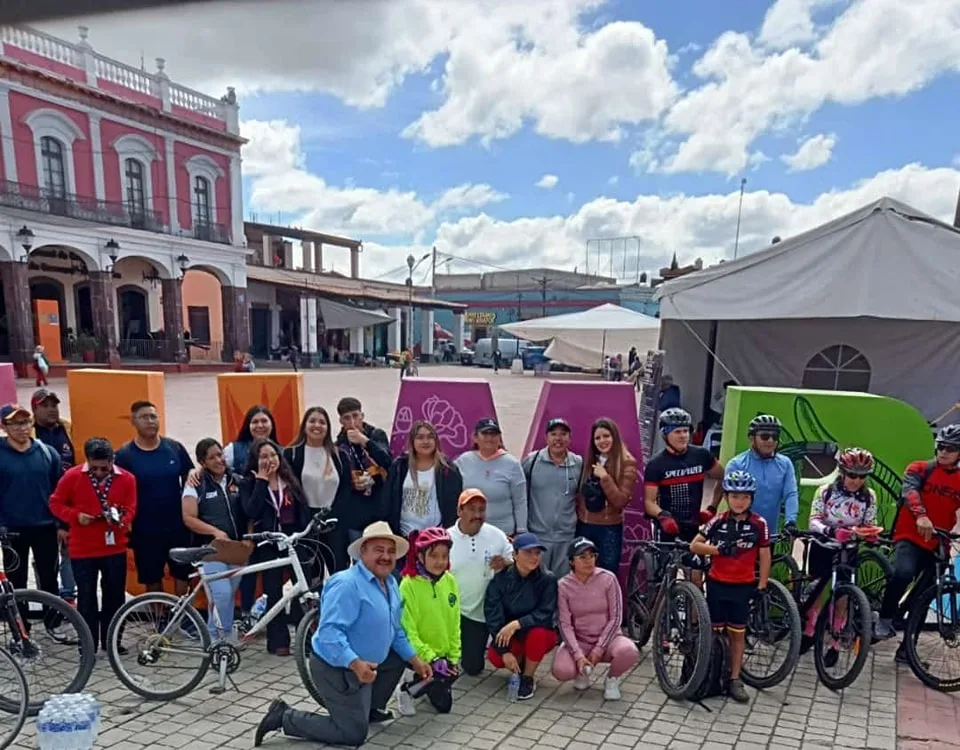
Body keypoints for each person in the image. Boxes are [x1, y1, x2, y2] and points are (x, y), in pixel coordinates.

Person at [253, 522, 433, 748]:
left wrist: (416, 661)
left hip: (369, 664)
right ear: (363, 552)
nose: (386, 557)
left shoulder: (390, 582)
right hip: (337, 667)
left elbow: (395, 630)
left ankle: (369, 708)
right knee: (352, 735)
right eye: (378, 550)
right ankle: (285, 716)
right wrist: (356, 664)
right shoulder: (347, 585)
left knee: (400, 657)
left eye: (390, 551)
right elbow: (329, 635)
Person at [875, 424, 960, 659]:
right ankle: (884, 618)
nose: (943, 452)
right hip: (909, 535)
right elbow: (909, 491)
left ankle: (907, 649)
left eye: (950, 449)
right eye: (941, 446)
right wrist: (921, 515)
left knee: (926, 595)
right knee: (903, 573)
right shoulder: (920, 468)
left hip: (938, 541)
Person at [187, 405, 278, 613]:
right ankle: (227, 632)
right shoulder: (233, 450)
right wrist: (197, 470)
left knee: (256, 581)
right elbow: (213, 464)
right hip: (220, 544)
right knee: (225, 594)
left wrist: (250, 533)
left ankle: (227, 633)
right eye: (255, 421)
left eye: (264, 421)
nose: (260, 425)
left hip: (257, 531)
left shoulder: (278, 450)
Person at [49, 437, 136, 653]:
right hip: (82, 548)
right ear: (87, 461)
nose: (99, 473)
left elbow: (131, 508)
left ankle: (112, 640)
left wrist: (120, 519)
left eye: (104, 469)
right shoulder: (72, 476)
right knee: (86, 598)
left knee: (114, 596)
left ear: (112, 460)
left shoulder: (127, 479)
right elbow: (55, 503)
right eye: (94, 468)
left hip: (114, 546)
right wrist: (75, 516)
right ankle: (87, 643)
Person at [690, 470, 770, 703]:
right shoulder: (718, 521)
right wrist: (717, 550)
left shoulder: (759, 524)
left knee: (738, 635)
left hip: (743, 587)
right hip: (717, 584)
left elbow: (765, 556)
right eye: (735, 496)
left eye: (745, 497)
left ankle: (735, 679)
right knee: (714, 633)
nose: (739, 502)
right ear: (726, 497)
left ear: (751, 499)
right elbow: (694, 546)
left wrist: (762, 586)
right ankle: (709, 674)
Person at [802, 447, 877, 658]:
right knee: (817, 588)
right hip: (823, 545)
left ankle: (834, 640)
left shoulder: (869, 497)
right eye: (852, 475)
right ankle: (809, 630)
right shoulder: (826, 491)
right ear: (842, 472)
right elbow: (813, 520)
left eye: (862, 476)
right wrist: (831, 531)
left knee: (843, 595)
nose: (856, 480)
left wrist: (870, 534)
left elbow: (870, 523)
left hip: (848, 549)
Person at [115, 401, 194, 598]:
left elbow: (189, 481)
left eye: (153, 416)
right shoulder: (124, 455)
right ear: (134, 421)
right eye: (144, 417)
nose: (150, 421)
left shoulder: (175, 448)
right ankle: (159, 622)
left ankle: (182, 618)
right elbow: (117, 492)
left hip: (177, 526)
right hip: (145, 530)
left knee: (182, 574)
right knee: (151, 578)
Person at [240, 438, 310, 655]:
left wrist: (306, 534)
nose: (269, 460)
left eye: (273, 455)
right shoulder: (249, 483)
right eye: (263, 457)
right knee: (274, 592)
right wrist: (261, 480)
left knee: (302, 589)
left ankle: (305, 639)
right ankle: (277, 641)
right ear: (255, 461)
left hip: (292, 539)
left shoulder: (289, 479)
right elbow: (250, 511)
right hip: (267, 542)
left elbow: (302, 509)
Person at [552, 537, 639, 700]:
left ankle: (612, 679)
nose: (588, 561)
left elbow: (616, 617)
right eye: (582, 557)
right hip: (581, 640)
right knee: (561, 670)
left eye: (592, 556)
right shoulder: (563, 586)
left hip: (609, 639)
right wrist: (578, 654)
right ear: (571, 561)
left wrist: (599, 648)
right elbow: (564, 624)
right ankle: (581, 670)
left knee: (629, 651)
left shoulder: (608, 578)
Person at [182, 438, 249, 641]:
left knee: (227, 597)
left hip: (237, 548)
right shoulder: (196, 483)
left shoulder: (237, 480)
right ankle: (215, 639)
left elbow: (249, 513)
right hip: (210, 550)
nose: (218, 460)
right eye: (211, 458)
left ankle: (223, 639)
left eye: (219, 455)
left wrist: (249, 538)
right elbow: (188, 517)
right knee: (221, 594)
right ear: (203, 462)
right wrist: (215, 532)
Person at [0, 404, 63, 605]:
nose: (22, 428)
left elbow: (59, 490)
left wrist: (61, 524)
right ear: (4, 426)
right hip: (11, 530)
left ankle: (52, 622)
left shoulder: (47, 453)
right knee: (16, 581)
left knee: (50, 579)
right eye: (15, 423)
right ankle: (21, 627)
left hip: (45, 527)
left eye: (25, 422)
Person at [484, 532, 558, 700]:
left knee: (538, 635)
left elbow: (546, 613)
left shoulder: (548, 579)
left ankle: (528, 677)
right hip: (512, 635)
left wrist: (518, 623)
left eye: (537, 553)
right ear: (515, 555)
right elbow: (492, 613)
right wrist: (504, 651)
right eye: (528, 552)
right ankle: (519, 665)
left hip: (537, 632)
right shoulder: (500, 579)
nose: (534, 557)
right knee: (495, 656)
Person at [448, 489, 513, 676]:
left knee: (473, 668)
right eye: (472, 509)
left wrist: (506, 564)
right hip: (451, 611)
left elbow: (516, 563)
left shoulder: (497, 535)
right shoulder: (446, 537)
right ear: (460, 511)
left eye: (481, 510)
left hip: (480, 614)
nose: (477, 515)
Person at [397, 527, 461, 716]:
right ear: (420, 557)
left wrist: (454, 656)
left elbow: (455, 621)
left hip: (441, 655)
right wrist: (430, 657)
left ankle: (428, 683)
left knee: (444, 706)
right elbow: (408, 631)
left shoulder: (449, 581)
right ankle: (406, 689)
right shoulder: (408, 585)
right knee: (430, 676)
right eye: (434, 556)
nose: (440, 562)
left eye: (445, 556)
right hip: (418, 655)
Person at [283, 406, 351, 575]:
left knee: (339, 572)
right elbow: (290, 489)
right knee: (312, 576)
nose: (317, 425)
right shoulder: (291, 454)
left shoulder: (339, 455)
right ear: (304, 425)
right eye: (312, 421)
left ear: (328, 427)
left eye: (322, 422)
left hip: (333, 521)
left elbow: (346, 488)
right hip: (305, 523)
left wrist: (336, 515)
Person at [644, 408, 724, 549]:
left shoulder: (701, 455)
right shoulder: (656, 464)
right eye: (677, 432)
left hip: (693, 524)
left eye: (686, 431)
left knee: (695, 567)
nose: (683, 436)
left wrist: (712, 508)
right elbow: (649, 502)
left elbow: (724, 478)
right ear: (665, 435)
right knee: (666, 567)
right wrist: (662, 516)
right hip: (667, 528)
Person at [385, 421, 463, 553]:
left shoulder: (448, 470)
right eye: (420, 437)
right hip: (404, 537)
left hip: (435, 539)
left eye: (430, 436)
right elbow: (387, 500)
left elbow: (454, 506)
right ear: (412, 441)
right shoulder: (399, 466)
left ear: (436, 441)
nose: (425, 441)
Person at [31, 388, 77, 605]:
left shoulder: (67, 429)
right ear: (35, 409)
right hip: (41, 502)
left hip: (69, 501)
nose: (51, 410)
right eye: (45, 406)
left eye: (54, 405)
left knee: (69, 546)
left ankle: (68, 595)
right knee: (45, 555)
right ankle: (47, 597)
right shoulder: (29, 433)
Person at [575, 418, 638, 573]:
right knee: (582, 571)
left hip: (609, 528)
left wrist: (605, 478)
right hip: (585, 525)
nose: (602, 441)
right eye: (597, 438)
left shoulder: (627, 463)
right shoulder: (589, 460)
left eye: (606, 436)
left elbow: (620, 501)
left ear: (614, 436)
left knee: (606, 573)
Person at [522, 418, 582, 577]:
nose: (558, 438)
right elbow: (518, 491)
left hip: (566, 536)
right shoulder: (532, 461)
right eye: (553, 434)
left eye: (563, 434)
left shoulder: (578, 464)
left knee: (561, 584)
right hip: (538, 536)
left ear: (569, 438)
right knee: (536, 581)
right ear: (546, 437)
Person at [725, 415, 799, 534]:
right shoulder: (736, 464)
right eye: (765, 436)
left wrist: (790, 521)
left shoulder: (785, 463)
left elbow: (791, 493)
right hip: (741, 532)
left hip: (770, 533)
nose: (770, 441)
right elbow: (731, 499)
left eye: (774, 437)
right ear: (751, 438)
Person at [335, 397, 393, 550]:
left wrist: (365, 441)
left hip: (378, 508)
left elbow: (388, 461)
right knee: (360, 555)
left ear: (362, 415)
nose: (352, 422)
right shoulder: (339, 444)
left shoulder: (376, 435)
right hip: (355, 513)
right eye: (347, 418)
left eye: (355, 416)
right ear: (341, 421)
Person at [455, 418, 527, 537]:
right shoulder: (462, 461)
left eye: (493, 434)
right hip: (470, 531)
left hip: (503, 533)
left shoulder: (512, 464)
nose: (489, 438)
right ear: (475, 437)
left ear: (499, 438)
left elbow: (520, 501)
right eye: (485, 434)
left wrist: (521, 531)